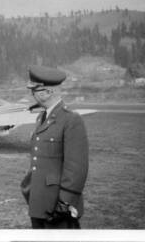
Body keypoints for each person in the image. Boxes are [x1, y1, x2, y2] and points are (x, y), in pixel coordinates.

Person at [20, 65, 89, 229]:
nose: (32, 94)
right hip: (39, 203)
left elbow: (76, 168)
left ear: (47, 92)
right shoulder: (42, 117)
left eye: (34, 90)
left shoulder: (71, 120)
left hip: (57, 207)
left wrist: (65, 203)